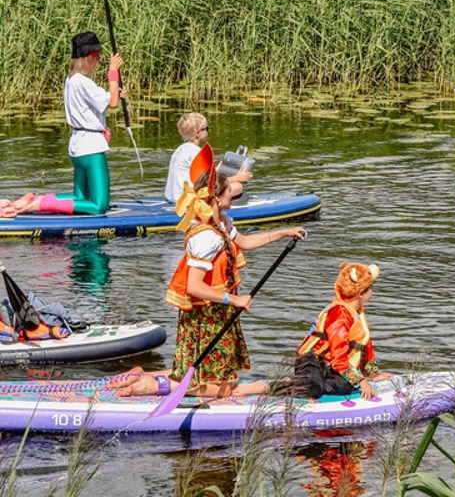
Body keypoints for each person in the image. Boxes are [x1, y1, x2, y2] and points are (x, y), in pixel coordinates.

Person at [110, 143, 306, 398]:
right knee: (220, 388)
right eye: (228, 192)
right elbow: (194, 286)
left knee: (213, 375)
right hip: (206, 316)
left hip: (218, 310)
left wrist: (284, 232)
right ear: (215, 198)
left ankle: (146, 376)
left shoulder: (221, 223)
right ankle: (153, 386)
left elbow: (244, 242)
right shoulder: (206, 237)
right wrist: (234, 298)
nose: (233, 195)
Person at [0, 33, 123, 219]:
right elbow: (113, 103)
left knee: (79, 198)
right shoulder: (84, 82)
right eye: (96, 57)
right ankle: (37, 204)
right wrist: (113, 72)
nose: (97, 61)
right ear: (88, 57)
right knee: (99, 205)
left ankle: (33, 198)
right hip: (91, 147)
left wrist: (115, 91)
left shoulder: (71, 81)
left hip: (78, 145)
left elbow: (104, 101)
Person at [285, 262, 392, 400]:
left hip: (330, 366)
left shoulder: (357, 311)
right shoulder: (339, 315)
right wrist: (360, 380)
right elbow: (338, 356)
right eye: (370, 288)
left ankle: (309, 383)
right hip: (311, 360)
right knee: (313, 389)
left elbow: (365, 346)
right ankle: (276, 386)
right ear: (360, 293)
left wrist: (373, 376)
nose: (372, 292)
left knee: (347, 384)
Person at [164, 112, 252, 204]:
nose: (207, 131)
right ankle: (217, 202)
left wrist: (215, 170)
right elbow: (210, 183)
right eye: (206, 128)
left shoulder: (180, 149)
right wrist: (237, 178)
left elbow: (197, 175)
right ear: (197, 133)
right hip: (190, 200)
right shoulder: (197, 153)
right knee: (237, 186)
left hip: (174, 196)